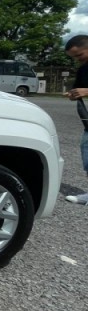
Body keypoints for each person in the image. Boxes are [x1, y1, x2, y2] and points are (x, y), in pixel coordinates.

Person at [64, 34, 88, 204]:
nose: (78, 60)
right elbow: (78, 89)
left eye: (79, 55)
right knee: (87, 154)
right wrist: (73, 94)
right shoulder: (83, 69)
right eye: (74, 58)